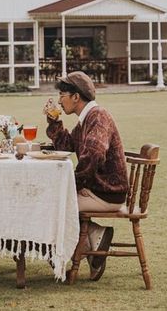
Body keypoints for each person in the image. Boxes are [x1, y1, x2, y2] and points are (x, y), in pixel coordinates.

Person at [43, 71, 129, 281]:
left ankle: (72, 251)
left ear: (76, 97)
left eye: (62, 94)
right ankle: (93, 236)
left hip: (106, 192)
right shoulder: (87, 118)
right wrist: (54, 120)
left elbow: (94, 155)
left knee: (48, 203)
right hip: (98, 188)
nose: (59, 100)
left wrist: (70, 185)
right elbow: (67, 145)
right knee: (50, 199)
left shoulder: (97, 117)